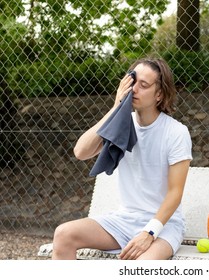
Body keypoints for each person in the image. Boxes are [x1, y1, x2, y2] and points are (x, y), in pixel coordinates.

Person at [52, 58, 193, 260]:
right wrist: (117, 107)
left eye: (143, 85)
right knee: (63, 235)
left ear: (159, 94)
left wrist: (149, 233)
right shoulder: (121, 124)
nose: (134, 89)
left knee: (140, 267)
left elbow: (175, 193)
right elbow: (81, 152)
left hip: (164, 225)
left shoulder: (176, 132)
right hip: (124, 220)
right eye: (132, 81)